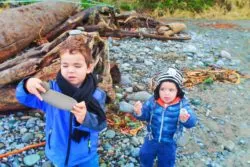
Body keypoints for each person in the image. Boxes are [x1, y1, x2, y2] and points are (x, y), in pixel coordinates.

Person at [16, 35, 107, 167]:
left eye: (77, 65)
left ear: (89, 67)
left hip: (86, 157)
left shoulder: (97, 95)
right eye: (65, 65)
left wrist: (85, 118)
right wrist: (26, 85)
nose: (70, 70)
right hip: (58, 154)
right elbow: (24, 98)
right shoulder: (51, 91)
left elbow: (100, 125)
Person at [133, 67, 197, 167]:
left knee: (167, 162)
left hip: (169, 142)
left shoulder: (182, 105)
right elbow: (144, 116)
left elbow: (192, 122)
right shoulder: (152, 101)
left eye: (171, 90)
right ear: (158, 89)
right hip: (151, 138)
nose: (166, 93)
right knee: (144, 155)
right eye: (163, 89)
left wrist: (186, 119)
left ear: (178, 91)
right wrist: (139, 112)